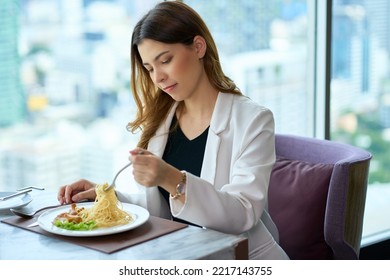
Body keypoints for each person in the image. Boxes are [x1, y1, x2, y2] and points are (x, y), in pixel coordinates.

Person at [57, 1, 289, 260]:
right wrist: (108, 197)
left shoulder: (253, 119)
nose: (158, 78)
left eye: (165, 60)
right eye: (149, 68)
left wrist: (172, 179)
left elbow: (243, 213)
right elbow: (161, 208)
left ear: (198, 47)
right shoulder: (161, 120)